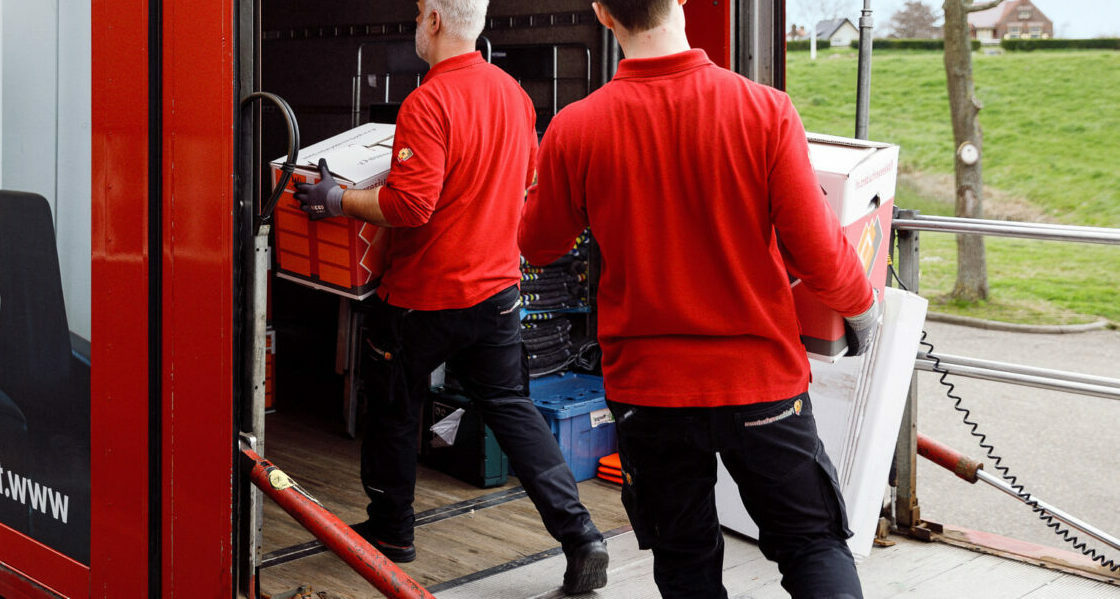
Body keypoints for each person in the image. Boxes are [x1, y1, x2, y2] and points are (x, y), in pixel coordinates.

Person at [518, 1, 878, 597]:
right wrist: (864, 309)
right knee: (811, 543)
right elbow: (816, 251)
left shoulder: (577, 127)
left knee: (685, 558)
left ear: (602, 13)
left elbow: (538, 243)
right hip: (761, 384)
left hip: (648, 394)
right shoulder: (765, 110)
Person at [292, 0, 607, 594]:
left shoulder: (428, 101)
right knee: (513, 410)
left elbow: (411, 206)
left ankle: (391, 530)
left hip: (424, 297)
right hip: (497, 294)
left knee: (394, 403)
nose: (415, 24)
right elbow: (529, 179)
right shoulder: (513, 94)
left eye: (417, 13)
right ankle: (581, 535)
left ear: (434, 20)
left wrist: (335, 201)